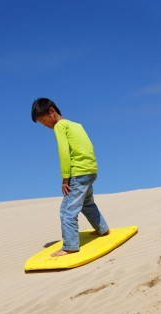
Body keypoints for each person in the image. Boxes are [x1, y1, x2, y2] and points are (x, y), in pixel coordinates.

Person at [31, 98, 109, 257]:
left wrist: (65, 178)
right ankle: (103, 229)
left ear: (52, 112)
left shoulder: (60, 126)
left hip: (78, 173)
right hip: (90, 170)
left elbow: (64, 153)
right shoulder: (77, 125)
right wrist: (90, 168)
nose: (45, 125)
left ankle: (70, 246)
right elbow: (89, 146)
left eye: (44, 121)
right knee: (87, 203)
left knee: (67, 211)